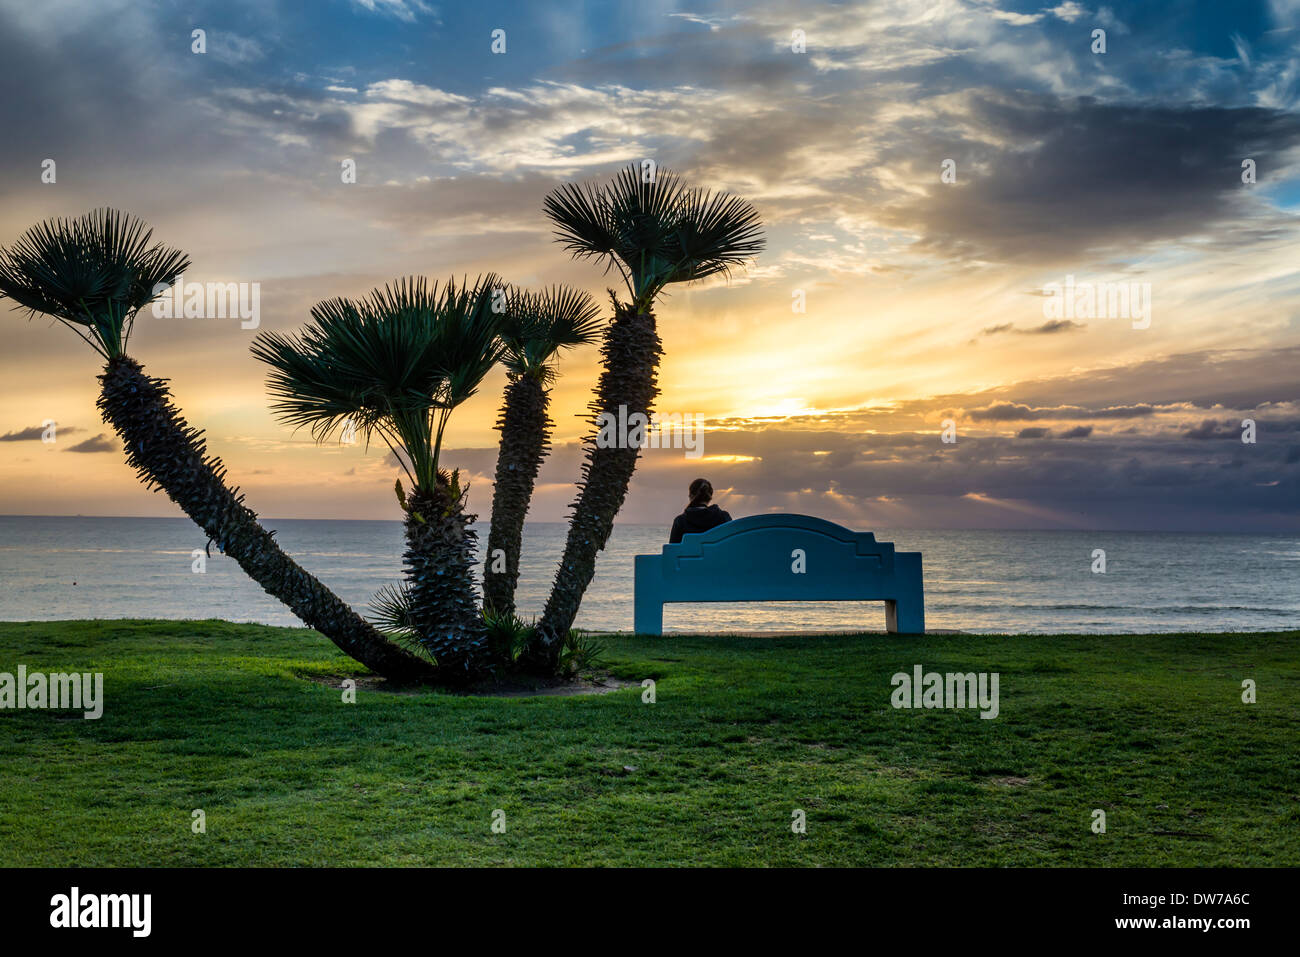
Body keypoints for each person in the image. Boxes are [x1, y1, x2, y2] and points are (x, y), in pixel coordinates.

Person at [669, 478, 732, 544]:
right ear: (710, 498)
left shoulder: (680, 522)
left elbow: (673, 551)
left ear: (690, 496)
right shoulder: (724, 517)